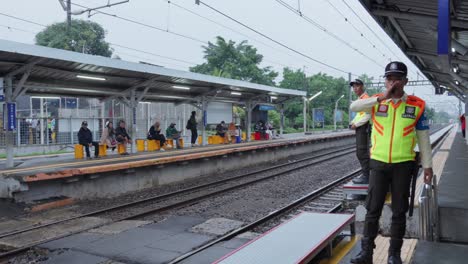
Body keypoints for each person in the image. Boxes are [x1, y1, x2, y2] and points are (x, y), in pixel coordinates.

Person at [350, 61, 433, 264]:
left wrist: (429, 165)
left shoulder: (417, 104)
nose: (393, 82)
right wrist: (382, 96)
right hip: (378, 164)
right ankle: (366, 253)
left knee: (399, 211)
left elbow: (423, 137)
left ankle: (394, 254)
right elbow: (354, 106)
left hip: (403, 165)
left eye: (397, 78)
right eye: (389, 78)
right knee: (372, 210)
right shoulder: (375, 102)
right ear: (385, 81)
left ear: (405, 81)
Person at [349, 79, 371, 184]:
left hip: (364, 127)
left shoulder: (365, 99)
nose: (355, 88)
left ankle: (366, 176)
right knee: (361, 152)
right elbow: (360, 115)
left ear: (362, 86)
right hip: (361, 127)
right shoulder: (361, 99)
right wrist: (353, 122)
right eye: (353, 87)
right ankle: (366, 174)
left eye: (357, 86)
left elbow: (368, 115)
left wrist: (356, 124)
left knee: (362, 152)